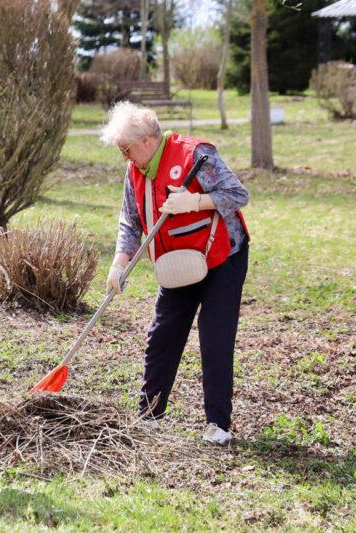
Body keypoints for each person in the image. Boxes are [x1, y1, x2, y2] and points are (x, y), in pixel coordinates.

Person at [100, 102, 249, 445]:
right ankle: (149, 416)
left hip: (222, 258)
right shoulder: (135, 170)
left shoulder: (196, 155)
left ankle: (218, 425)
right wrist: (119, 262)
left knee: (214, 338)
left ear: (149, 140)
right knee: (162, 336)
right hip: (176, 265)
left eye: (127, 148)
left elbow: (238, 194)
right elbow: (131, 221)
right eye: (120, 150)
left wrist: (195, 202)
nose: (124, 156)